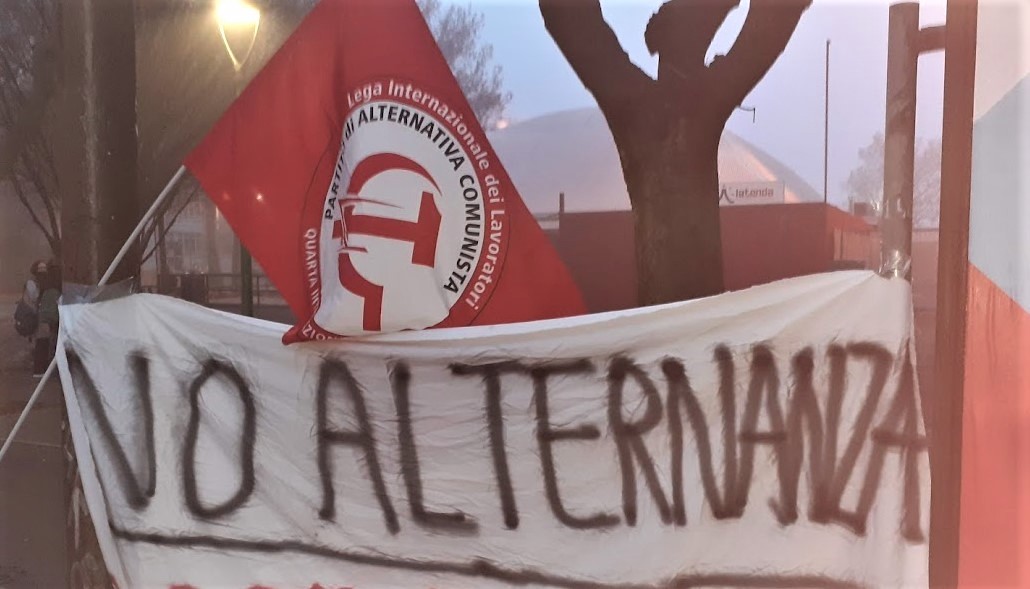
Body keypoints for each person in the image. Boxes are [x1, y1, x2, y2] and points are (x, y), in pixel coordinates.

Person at [32, 261, 61, 377]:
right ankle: (41, 369)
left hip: (44, 317)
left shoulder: (44, 284)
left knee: (43, 342)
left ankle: (41, 369)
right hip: (49, 317)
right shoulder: (54, 285)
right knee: (45, 342)